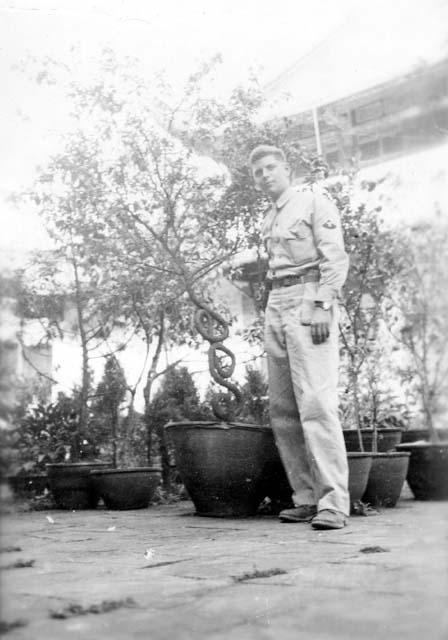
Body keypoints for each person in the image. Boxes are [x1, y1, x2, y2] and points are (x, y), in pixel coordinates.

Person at [249, 144, 350, 530]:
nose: (265, 176)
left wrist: (324, 303)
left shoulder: (312, 202)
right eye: (258, 172)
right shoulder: (269, 216)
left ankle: (334, 503)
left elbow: (334, 257)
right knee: (284, 408)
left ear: (287, 169)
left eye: (271, 167)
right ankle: (306, 498)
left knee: (317, 403)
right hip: (278, 300)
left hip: (310, 298)